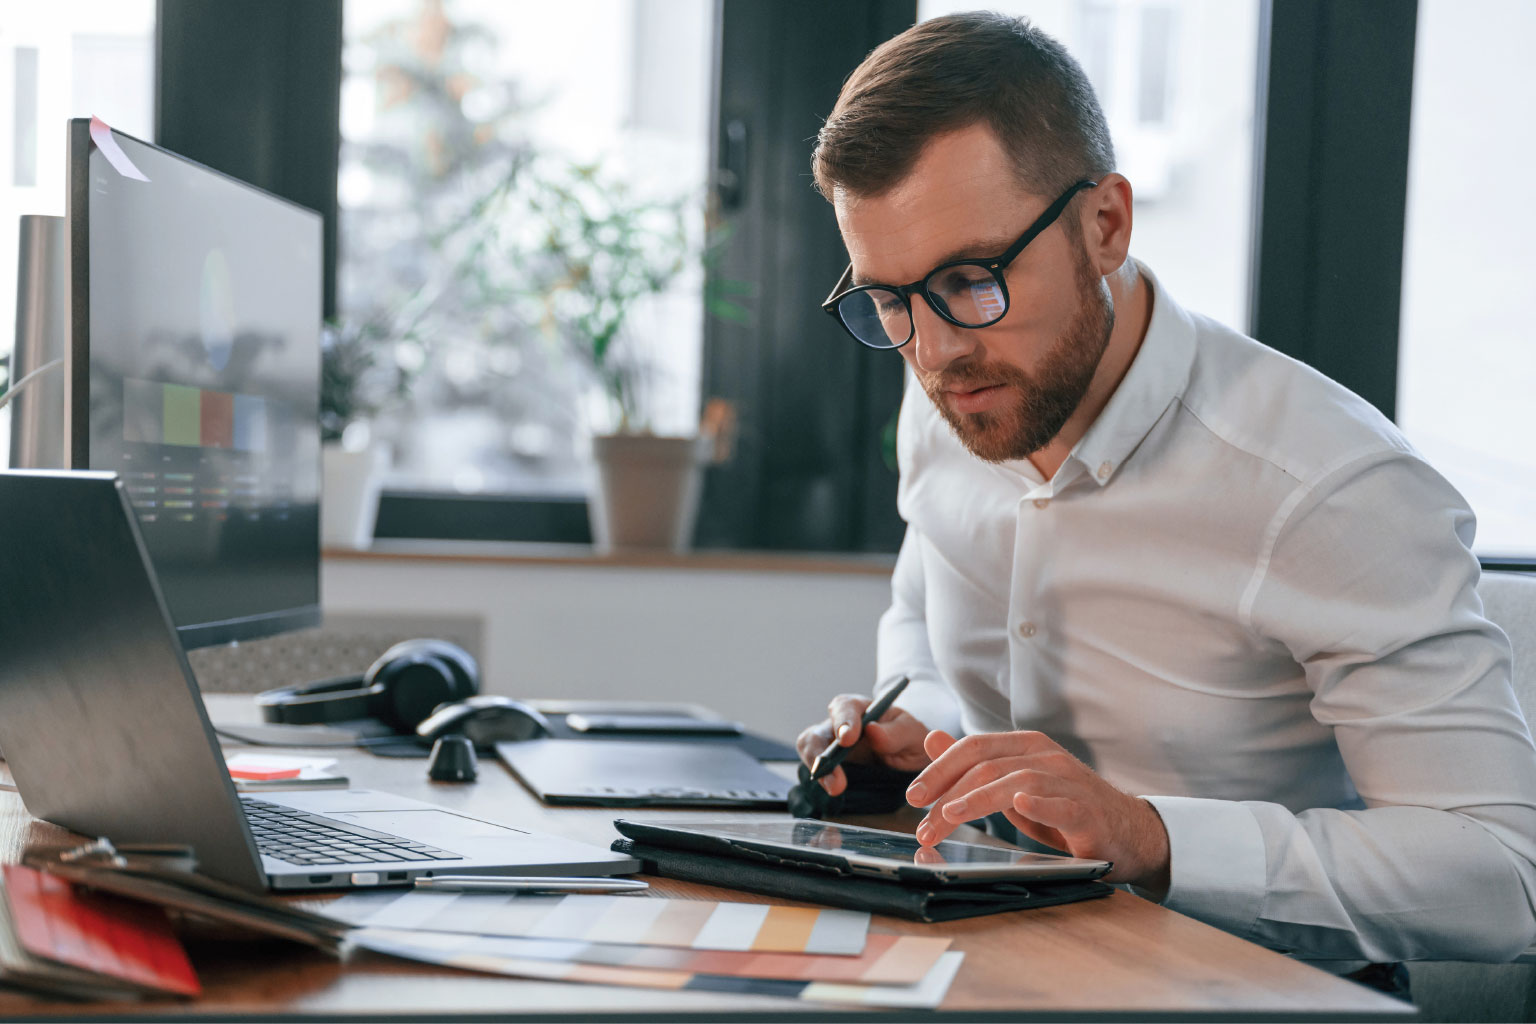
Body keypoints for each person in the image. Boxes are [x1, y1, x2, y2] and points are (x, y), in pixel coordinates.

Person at [795, 11, 1536, 972]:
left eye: (973, 279)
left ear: (1105, 225)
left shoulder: (1328, 487)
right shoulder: (956, 379)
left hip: (1236, 991)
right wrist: (922, 735)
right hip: (983, 960)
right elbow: (922, 602)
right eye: (889, 299)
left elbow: (1501, 878)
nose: (933, 353)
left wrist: (1151, 835)